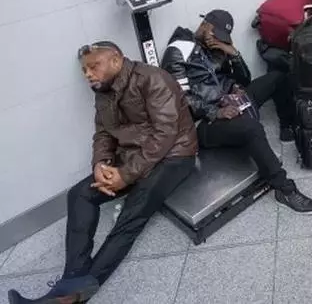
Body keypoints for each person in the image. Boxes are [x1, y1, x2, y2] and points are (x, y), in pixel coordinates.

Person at [7, 42, 199, 304]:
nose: (88, 74)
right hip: (132, 159)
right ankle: (72, 280)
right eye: (84, 70)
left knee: (134, 211)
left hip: (174, 155)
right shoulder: (103, 92)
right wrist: (101, 165)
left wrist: (125, 176)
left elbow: (165, 134)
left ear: (116, 60)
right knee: (79, 194)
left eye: (93, 66)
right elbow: (104, 134)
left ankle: (73, 298)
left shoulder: (153, 78)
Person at [160, 10, 312, 214]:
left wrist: (232, 54)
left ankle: (286, 127)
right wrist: (216, 112)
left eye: (219, 37)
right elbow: (181, 99)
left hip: (231, 100)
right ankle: (284, 189)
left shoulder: (213, 48)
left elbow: (244, 80)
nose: (214, 39)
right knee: (251, 128)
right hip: (204, 121)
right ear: (204, 25)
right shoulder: (177, 51)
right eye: (213, 34)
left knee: (278, 77)